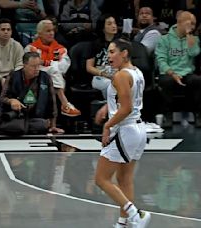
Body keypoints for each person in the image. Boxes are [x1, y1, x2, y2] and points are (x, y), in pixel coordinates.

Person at [94, 38, 150, 228]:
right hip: (138, 129)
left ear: (124, 53)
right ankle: (123, 223)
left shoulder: (120, 76)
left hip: (125, 130)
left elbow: (125, 108)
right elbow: (127, 101)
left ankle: (136, 214)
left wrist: (107, 125)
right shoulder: (136, 72)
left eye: (112, 52)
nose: (109, 56)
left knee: (101, 179)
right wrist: (107, 107)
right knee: (124, 179)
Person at [0, 52, 64, 134]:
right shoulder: (13, 75)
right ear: (24, 65)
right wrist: (11, 101)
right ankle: (9, 126)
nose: (37, 69)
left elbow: (52, 103)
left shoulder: (45, 77)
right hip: (7, 112)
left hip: (31, 116)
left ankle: (10, 127)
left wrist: (53, 125)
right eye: (33, 66)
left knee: (42, 125)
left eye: (38, 66)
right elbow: (3, 97)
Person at [25, 19, 81, 117]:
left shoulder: (60, 49)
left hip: (54, 79)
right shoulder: (31, 48)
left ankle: (57, 115)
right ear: (40, 33)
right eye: (48, 31)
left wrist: (46, 63)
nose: (51, 33)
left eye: (52, 30)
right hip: (35, 80)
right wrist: (51, 65)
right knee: (53, 71)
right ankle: (65, 104)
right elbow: (31, 68)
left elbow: (63, 68)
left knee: (54, 72)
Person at [155, 11, 201, 127]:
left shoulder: (194, 39)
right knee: (167, 82)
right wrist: (173, 73)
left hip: (187, 73)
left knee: (196, 80)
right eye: (190, 23)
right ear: (180, 22)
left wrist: (189, 36)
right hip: (169, 73)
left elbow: (194, 53)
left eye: (194, 24)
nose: (193, 27)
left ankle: (198, 115)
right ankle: (168, 115)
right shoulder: (164, 39)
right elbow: (161, 60)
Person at [86, 14, 118, 98]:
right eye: (109, 24)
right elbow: (89, 67)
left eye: (114, 23)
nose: (114, 26)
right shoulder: (95, 44)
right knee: (109, 84)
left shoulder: (120, 44)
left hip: (117, 74)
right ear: (103, 28)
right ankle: (109, 107)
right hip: (99, 76)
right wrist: (103, 74)